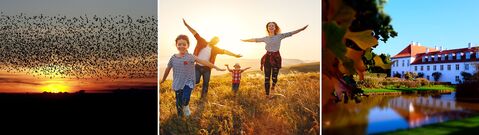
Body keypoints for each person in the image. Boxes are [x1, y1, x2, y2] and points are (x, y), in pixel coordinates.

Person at [160, 35, 225, 117]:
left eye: (184, 44)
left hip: (188, 82)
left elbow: (204, 62)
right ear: (176, 45)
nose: (181, 46)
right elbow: (168, 69)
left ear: (188, 45)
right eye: (179, 44)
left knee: (185, 98)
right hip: (178, 83)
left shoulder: (191, 57)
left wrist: (216, 67)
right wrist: (163, 79)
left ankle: (186, 107)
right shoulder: (173, 58)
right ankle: (180, 116)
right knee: (178, 102)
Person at [241, 22, 307, 98]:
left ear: (275, 28)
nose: (271, 27)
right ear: (267, 28)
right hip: (267, 58)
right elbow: (255, 39)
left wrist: (301, 29)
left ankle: (273, 86)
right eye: (269, 26)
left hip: (276, 58)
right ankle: (267, 95)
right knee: (267, 77)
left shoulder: (280, 36)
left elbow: (291, 33)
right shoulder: (265, 38)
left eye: (273, 26)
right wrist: (245, 40)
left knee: (274, 78)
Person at [183, 19, 242, 99]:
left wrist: (235, 55)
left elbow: (225, 51)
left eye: (216, 41)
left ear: (216, 43)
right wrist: (187, 25)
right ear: (211, 39)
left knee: (206, 83)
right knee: (196, 81)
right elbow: (194, 32)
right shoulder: (202, 41)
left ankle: (203, 98)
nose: (214, 41)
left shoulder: (215, 49)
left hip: (207, 68)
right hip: (197, 66)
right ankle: (185, 87)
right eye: (214, 40)